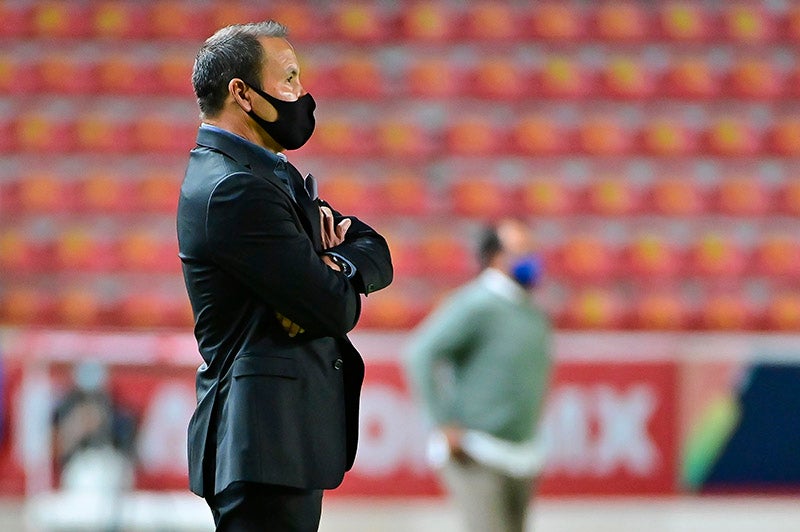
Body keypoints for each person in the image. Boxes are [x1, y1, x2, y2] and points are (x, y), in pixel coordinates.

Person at [177, 21, 393, 531]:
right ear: (241, 93)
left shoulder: (265, 172)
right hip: (262, 442)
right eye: (290, 77)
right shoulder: (234, 187)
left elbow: (374, 248)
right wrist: (325, 285)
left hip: (277, 443)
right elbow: (333, 307)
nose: (302, 93)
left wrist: (334, 266)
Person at [404, 219, 552, 532]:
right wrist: (442, 422)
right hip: (478, 450)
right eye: (523, 251)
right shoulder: (477, 303)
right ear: (497, 257)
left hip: (521, 452)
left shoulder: (529, 309)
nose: (533, 259)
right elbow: (420, 353)